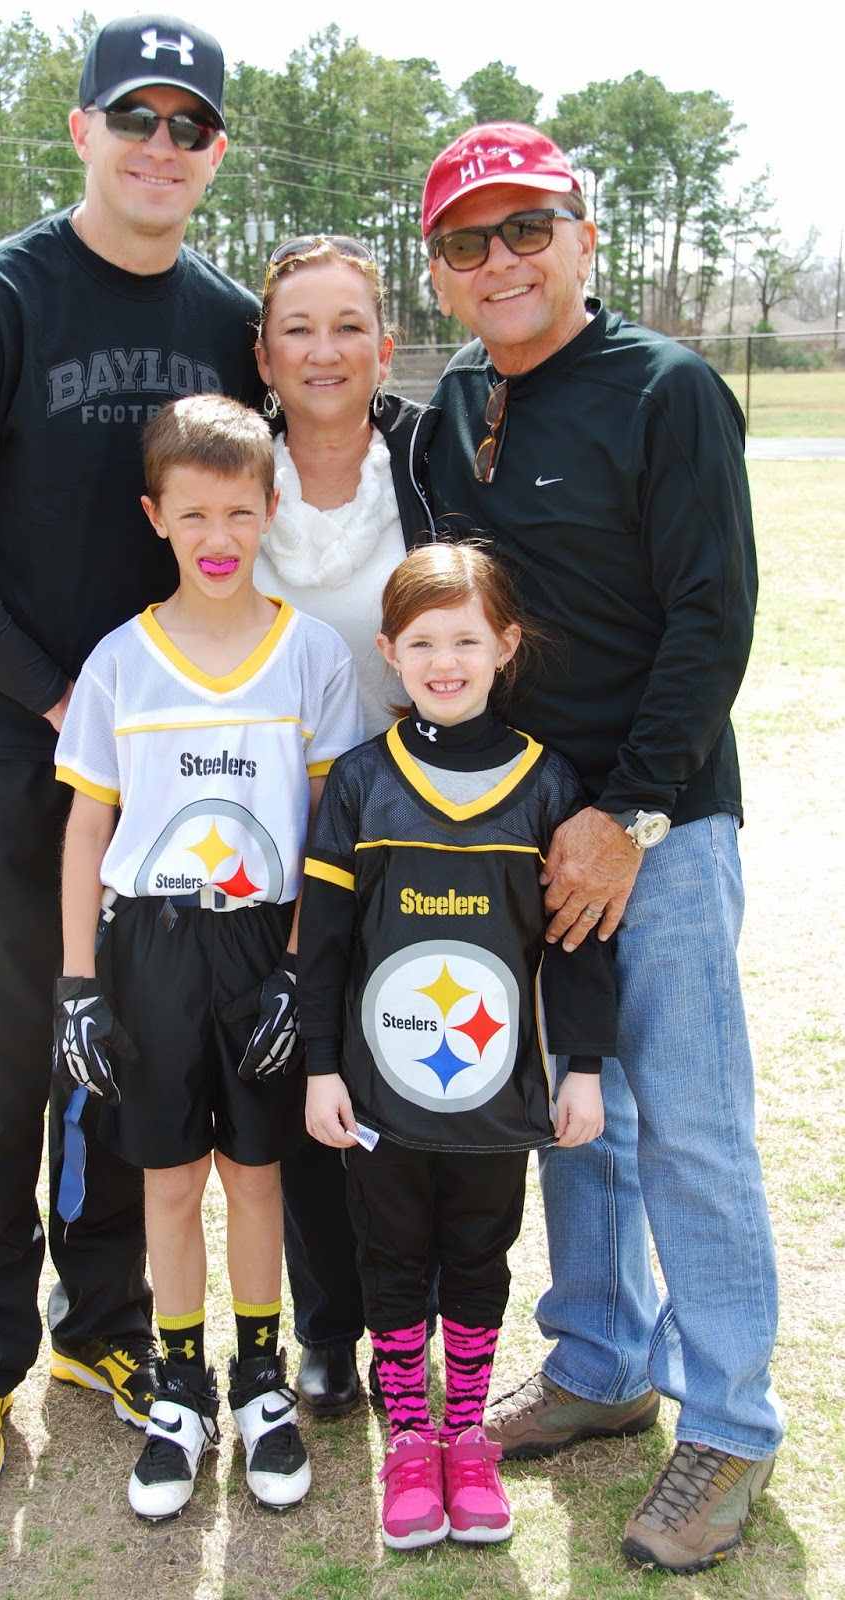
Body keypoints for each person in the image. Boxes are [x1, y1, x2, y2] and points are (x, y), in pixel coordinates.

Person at [0, 14, 264, 1489]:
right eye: (134, 118)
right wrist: (58, 700)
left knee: (118, 1050)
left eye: (188, 125)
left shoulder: (228, 320)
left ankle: (103, 1322)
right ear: (83, 129)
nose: (160, 145)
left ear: (213, 153)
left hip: (156, 772)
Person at [422, 120, 781, 1574]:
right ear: (439, 273)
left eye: (528, 228)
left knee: (688, 1119)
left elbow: (712, 615)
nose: (501, 260)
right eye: (467, 241)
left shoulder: (665, 387)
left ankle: (730, 1422)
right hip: (527, 826)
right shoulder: (453, 406)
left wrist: (625, 815)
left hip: (657, 823)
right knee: (580, 1110)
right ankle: (598, 1362)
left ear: (581, 236)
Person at [53, 394, 363, 1517]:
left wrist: (297, 967)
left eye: (239, 511)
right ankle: (179, 1388)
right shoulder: (119, 661)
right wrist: (78, 984)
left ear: (271, 510)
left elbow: (328, 834)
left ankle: (259, 1382)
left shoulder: (310, 654)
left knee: (258, 1175)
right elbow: (87, 829)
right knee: (171, 1178)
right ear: (156, 517)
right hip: (151, 945)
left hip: (261, 945)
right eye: (193, 514)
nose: (218, 536)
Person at [298, 542, 614, 1549]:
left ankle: (465, 1436)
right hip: (380, 1095)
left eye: (466, 640)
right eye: (424, 641)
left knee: (480, 1256)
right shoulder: (361, 783)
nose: (445, 661)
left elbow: (576, 947)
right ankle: (406, 1439)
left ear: (505, 646)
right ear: (388, 650)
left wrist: (584, 1069)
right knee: (390, 1259)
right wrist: (318, 1066)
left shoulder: (546, 784)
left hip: (495, 1094)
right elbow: (325, 944)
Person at [252, 234, 439, 1415]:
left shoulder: (427, 465)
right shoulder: (231, 468)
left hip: (414, 828)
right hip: (270, 833)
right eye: (299, 328)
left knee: (413, 1072)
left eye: (349, 325)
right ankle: (325, 1326)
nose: (325, 351)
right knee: (303, 1077)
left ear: (385, 344)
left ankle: (410, 1320)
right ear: (263, 353)